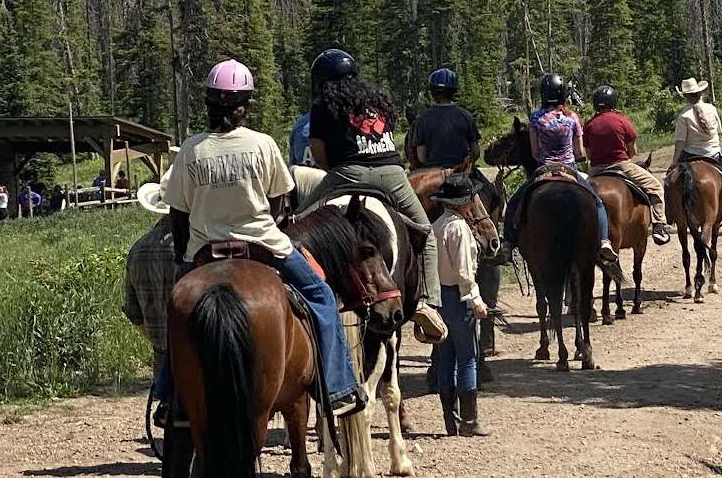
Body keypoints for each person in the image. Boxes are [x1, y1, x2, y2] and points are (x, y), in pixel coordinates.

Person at [154, 58, 365, 425]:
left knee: (176, 313)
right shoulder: (263, 145)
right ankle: (337, 387)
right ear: (244, 106)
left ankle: (172, 398)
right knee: (320, 296)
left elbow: (179, 214)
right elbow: (279, 204)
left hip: (205, 252)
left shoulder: (190, 150)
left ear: (209, 104)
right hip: (265, 247)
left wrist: (183, 258)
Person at [302, 48, 448, 344]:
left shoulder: (323, 106)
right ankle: (427, 302)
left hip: (349, 171)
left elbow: (319, 155)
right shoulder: (377, 99)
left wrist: (341, 170)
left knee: (298, 224)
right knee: (425, 232)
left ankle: (300, 294)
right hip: (392, 173)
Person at [500, 74, 620, 268]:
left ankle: (507, 245)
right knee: (597, 202)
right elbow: (579, 152)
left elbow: (535, 152)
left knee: (515, 203)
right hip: (569, 169)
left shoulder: (536, 118)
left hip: (544, 169)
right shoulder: (572, 117)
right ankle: (604, 241)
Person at [431, 175, 491, 438]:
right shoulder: (459, 229)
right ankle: (469, 420)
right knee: (467, 358)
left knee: (445, 356)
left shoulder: (436, 226)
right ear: (463, 202)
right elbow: (465, 271)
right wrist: (476, 300)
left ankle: (450, 418)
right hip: (459, 298)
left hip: (440, 297)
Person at [584, 85, 671, 244]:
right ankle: (659, 225)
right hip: (621, 165)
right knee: (655, 187)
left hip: (596, 170)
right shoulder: (622, 120)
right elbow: (632, 151)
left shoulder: (589, 124)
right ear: (613, 102)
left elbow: (589, 154)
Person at [671, 78, 722, 225]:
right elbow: (719, 131)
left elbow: (680, 143)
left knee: (670, 182)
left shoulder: (683, 116)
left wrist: (674, 163)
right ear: (700, 93)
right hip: (713, 155)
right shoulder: (712, 109)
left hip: (690, 155)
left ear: (685, 96)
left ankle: (671, 215)